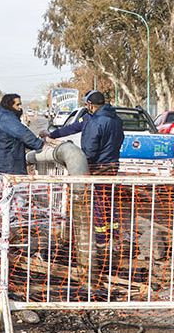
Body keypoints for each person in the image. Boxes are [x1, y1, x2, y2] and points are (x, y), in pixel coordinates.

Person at [46, 90, 125, 243]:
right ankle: (114, 235)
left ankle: (101, 239)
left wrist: (78, 161)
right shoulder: (114, 119)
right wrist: (54, 134)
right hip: (112, 165)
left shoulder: (96, 122)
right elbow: (74, 127)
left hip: (98, 167)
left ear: (90, 105)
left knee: (99, 203)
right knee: (109, 200)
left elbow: (89, 150)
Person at [0, 93, 48, 175]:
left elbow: (20, 139)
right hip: (5, 168)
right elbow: (23, 134)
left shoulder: (5, 116)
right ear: (9, 105)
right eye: (17, 104)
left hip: (2, 166)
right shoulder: (6, 118)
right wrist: (41, 145)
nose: (20, 108)